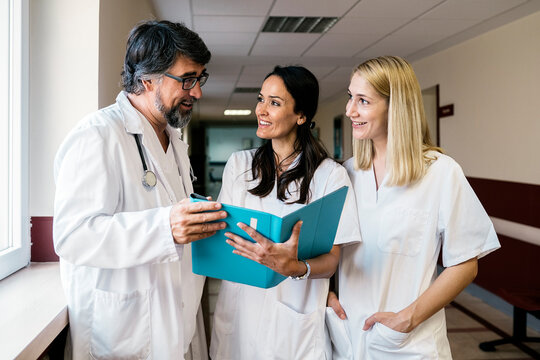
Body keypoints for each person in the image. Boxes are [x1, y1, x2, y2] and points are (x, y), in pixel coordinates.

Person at [53, 20, 227, 360]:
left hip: (172, 327)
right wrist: (165, 227)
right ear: (147, 79)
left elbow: (168, 212)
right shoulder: (98, 135)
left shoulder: (174, 140)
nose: (197, 92)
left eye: (199, 78)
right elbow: (72, 236)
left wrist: (195, 217)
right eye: (187, 79)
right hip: (121, 334)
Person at [326, 55, 501, 359]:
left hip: (408, 343)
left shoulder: (441, 172)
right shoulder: (347, 173)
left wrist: (408, 318)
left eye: (363, 100)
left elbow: (465, 263)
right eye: (350, 97)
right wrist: (325, 294)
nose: (350, 110)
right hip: (349, 337)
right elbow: (330, 248)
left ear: (396, 107)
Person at [209, 65, 362, 359]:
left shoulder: (330, 176)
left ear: (301, 116)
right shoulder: (240, 165)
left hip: (295, 316)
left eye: (275, 103)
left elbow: (331, 260)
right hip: (239, 311)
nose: (261, 110)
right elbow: (224, 237)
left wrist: (294, 267)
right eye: (261, 98)